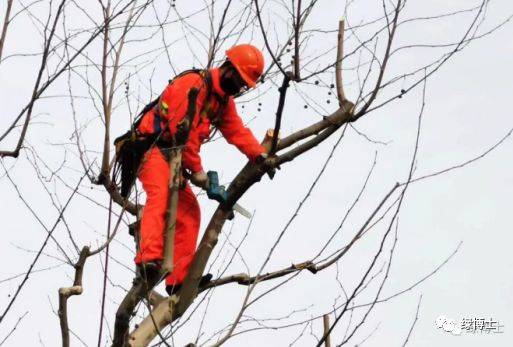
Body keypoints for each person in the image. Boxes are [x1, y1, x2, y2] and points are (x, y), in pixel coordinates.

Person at [134, 44, 267, 294]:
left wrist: (260, 155)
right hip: (150, 149)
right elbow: (182, 134)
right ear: (228, 68)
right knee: (160, 194)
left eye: (243, 84)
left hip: (174, 159)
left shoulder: (222, 102)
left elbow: (236, 131)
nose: (239, 87)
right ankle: (148, 261)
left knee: (189, 211)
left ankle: (178, 280)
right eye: (239, 80)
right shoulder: (193, 85)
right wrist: (197, 170)